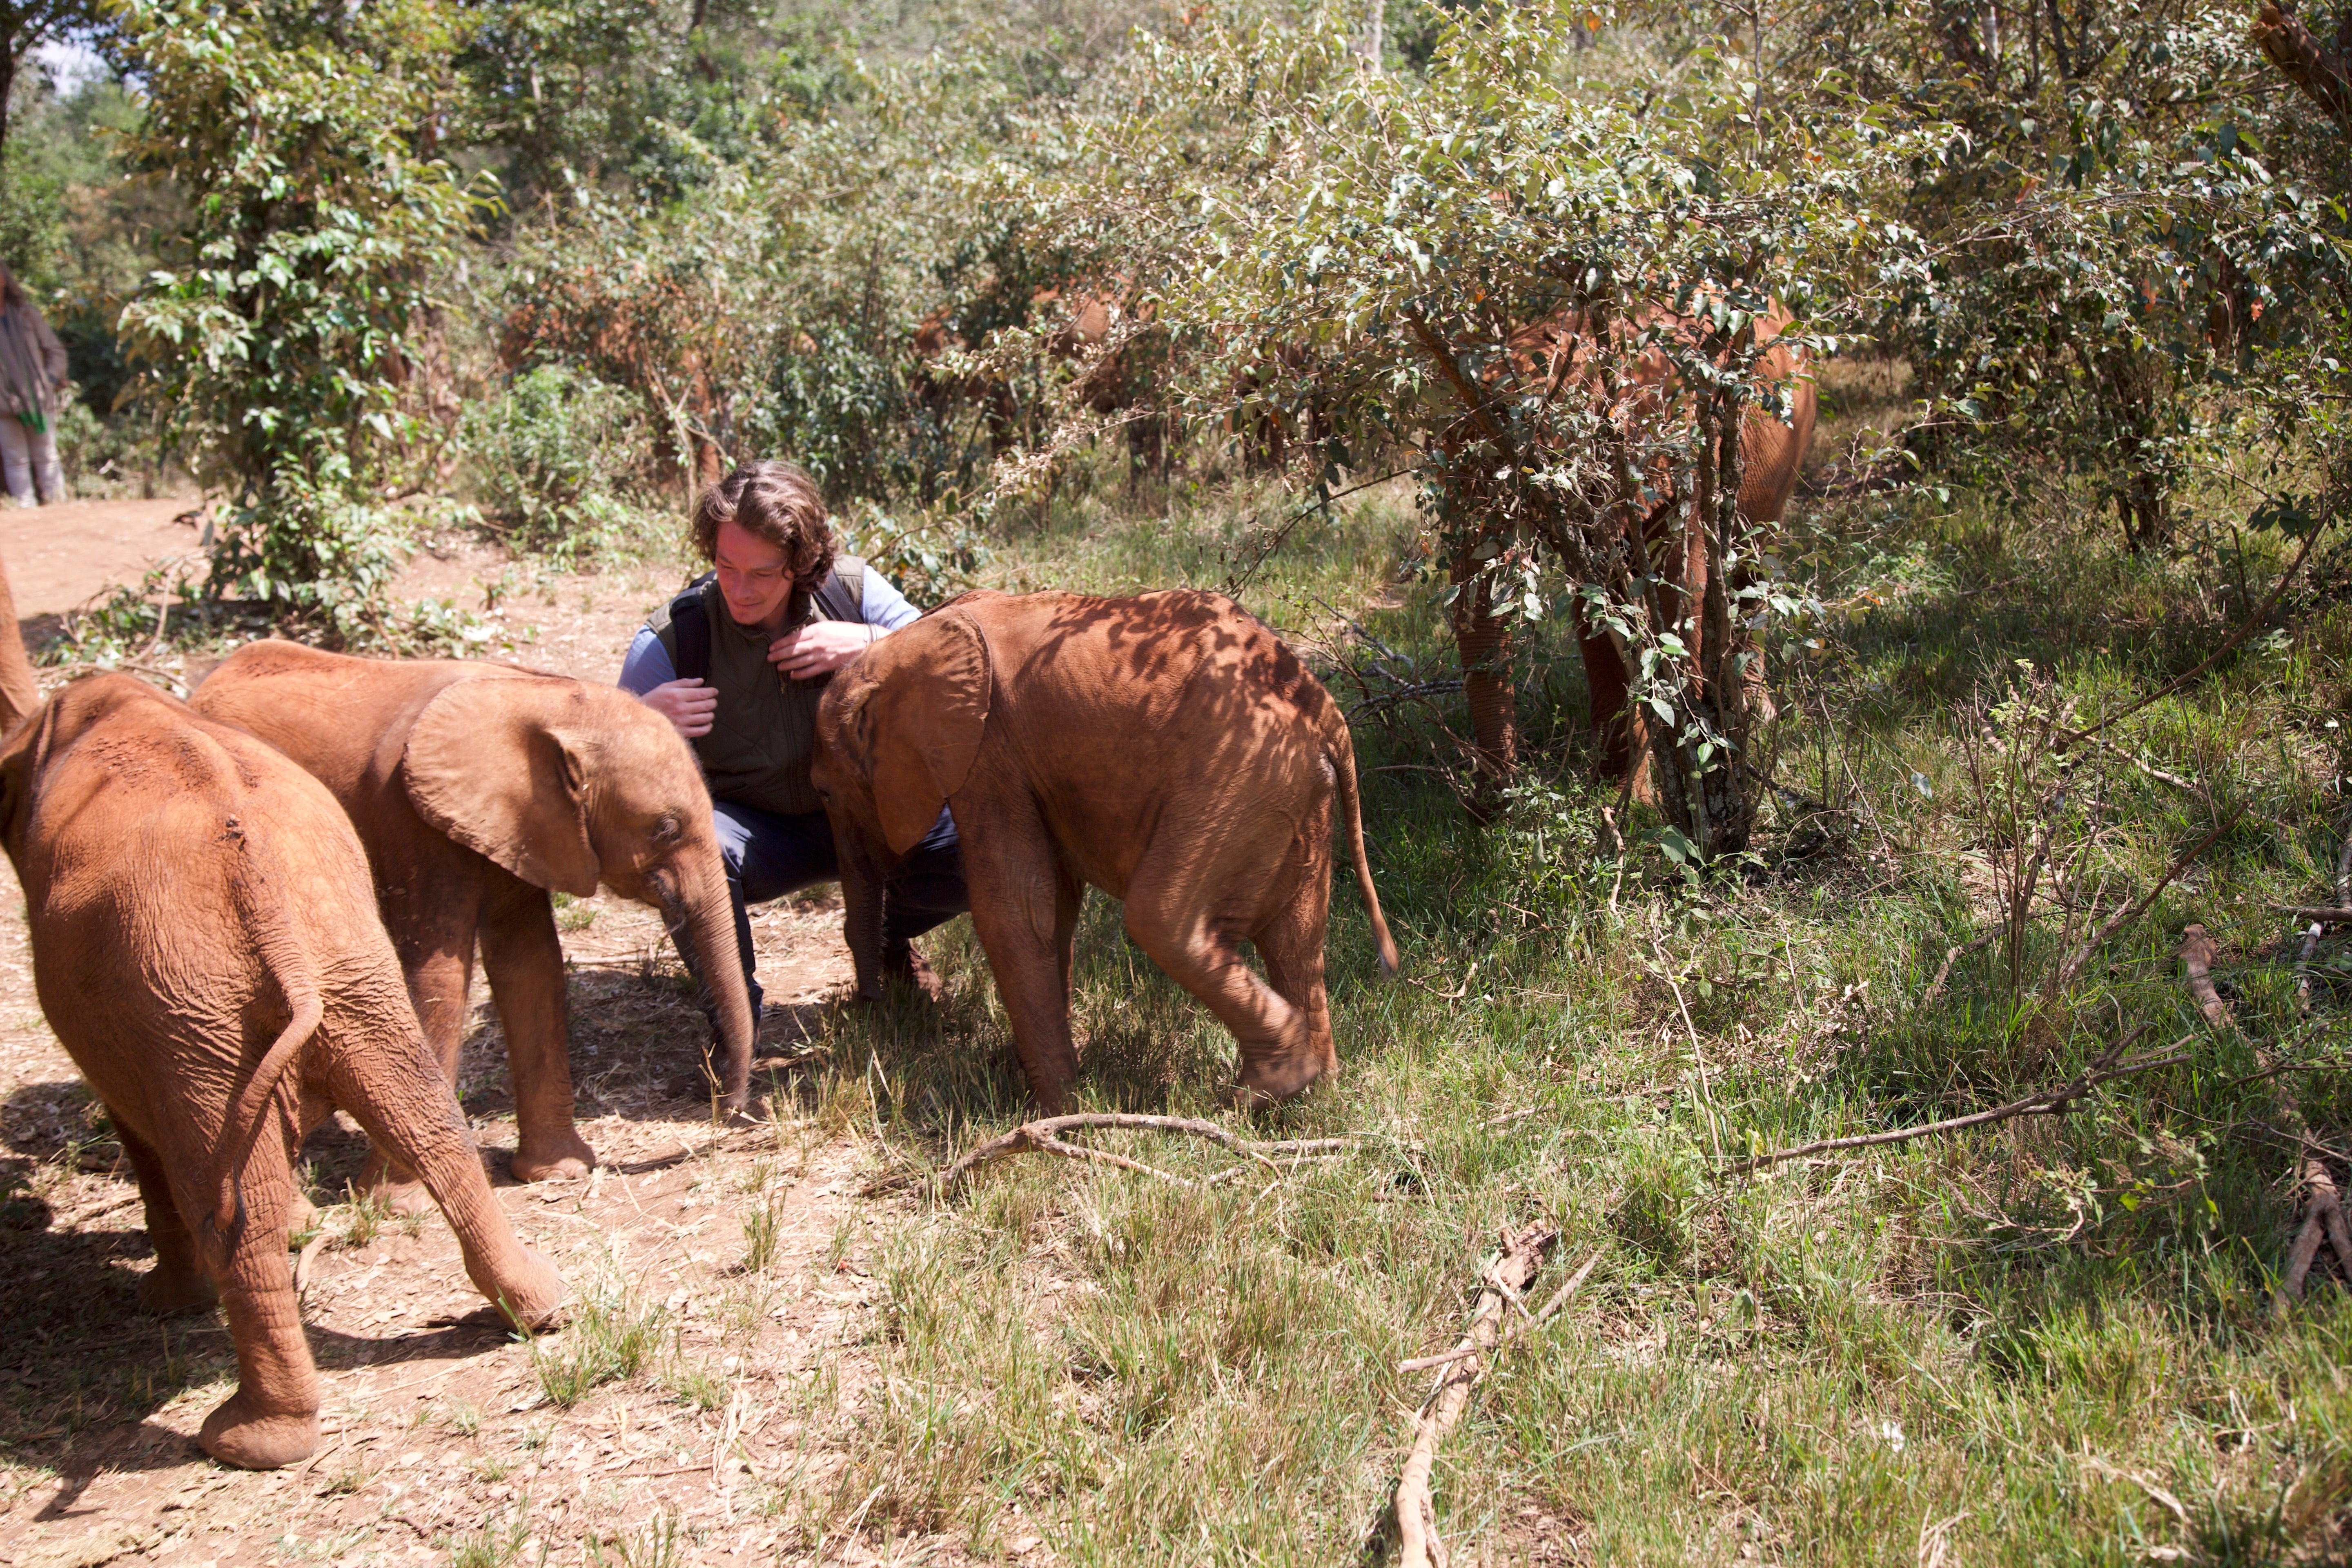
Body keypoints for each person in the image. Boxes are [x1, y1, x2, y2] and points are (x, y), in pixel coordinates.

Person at [619, 460, 967, 1030]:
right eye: (725, 566)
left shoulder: (851, 592)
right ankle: (736, 1019)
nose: (739, 589)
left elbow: (954, 662)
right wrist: (640, 722)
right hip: (758, 833)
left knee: (971, 846)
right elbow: (606, 777)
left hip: (870, 815)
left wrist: (873, 643)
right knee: (679, 846)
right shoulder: (677, 637)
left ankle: (883, 939)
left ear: (801, 565)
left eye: (762, 573)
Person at [0, 263, 66, 507]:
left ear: (6, 279)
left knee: (47, 456)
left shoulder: (27, 314)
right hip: (4, 405)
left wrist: (48, 380)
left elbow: (55, 351)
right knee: (15, 459)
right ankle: (25, 511)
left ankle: (58, 508)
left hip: (38, 398)